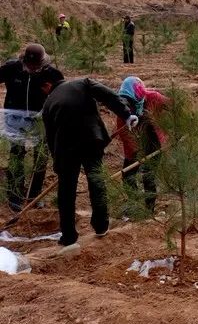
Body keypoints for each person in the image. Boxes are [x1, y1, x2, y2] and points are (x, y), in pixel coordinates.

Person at [42, 77, 138, 251]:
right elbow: (108, 96)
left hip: (66, 148)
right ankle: (101, 226)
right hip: (92, 139)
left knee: (66, 192)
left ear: (48, 85)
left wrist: (57, 163)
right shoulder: (83, 83)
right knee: (97, 181)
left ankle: (69, 236)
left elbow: (50, 137)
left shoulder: (48, 103)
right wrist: (126, 114)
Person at [1, 44, 64, 211]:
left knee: (41, 157)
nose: (33, 69)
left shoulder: (51, 73)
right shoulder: (12, 68)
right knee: (17, 154)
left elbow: (63, 92)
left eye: (36, 67)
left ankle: (35, 194)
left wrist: (53, 92)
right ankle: (15, 194)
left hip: (40, 119)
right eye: (30, 66)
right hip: (15, 119)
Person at [113, 77, 168, 214]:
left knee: (148, 176)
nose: (127, 102)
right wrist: (137, 154)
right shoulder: (123, 109)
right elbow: (125, 135)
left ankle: (149, 211)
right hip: (134, 146)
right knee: (128, 177)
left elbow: (173, 107)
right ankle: (135, 206)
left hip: (154, 143)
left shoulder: (153, 97)